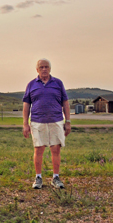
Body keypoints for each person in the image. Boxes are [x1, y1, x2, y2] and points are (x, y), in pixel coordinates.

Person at [22, 58, 71, 189]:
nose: (44, 69)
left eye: (46, 67)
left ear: (50, 68)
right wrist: (25, 124)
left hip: (56, 121)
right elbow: (26, 105)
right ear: (37, 69)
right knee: (38, 149)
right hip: (38, 122)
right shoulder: (31, 85)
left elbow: (65, 103)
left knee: (56, 149)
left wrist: (68, 121)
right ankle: (38, 178)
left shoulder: (58, 83)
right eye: (41, 67)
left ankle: (56, 177)